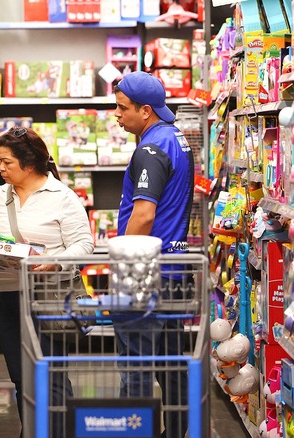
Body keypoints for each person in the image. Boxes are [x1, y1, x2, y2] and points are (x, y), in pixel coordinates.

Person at [0, 127, 94, 437]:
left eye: (6, 162)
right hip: (6, 298)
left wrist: (55, 261)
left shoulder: (62, 197)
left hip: (47, 297)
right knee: (21, 377)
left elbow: (83, 244)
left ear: (29, 163)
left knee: (50, 375)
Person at [113, 71, 194, 438]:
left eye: (122, 108)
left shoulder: (150, 148)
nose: (117, 115)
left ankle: (136, 432)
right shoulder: (176, 138)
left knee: (136, 370)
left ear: (146, 111)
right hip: (173, 272)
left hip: (147, 276)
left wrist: (125, 268)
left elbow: (144, 214)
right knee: (173, 369)